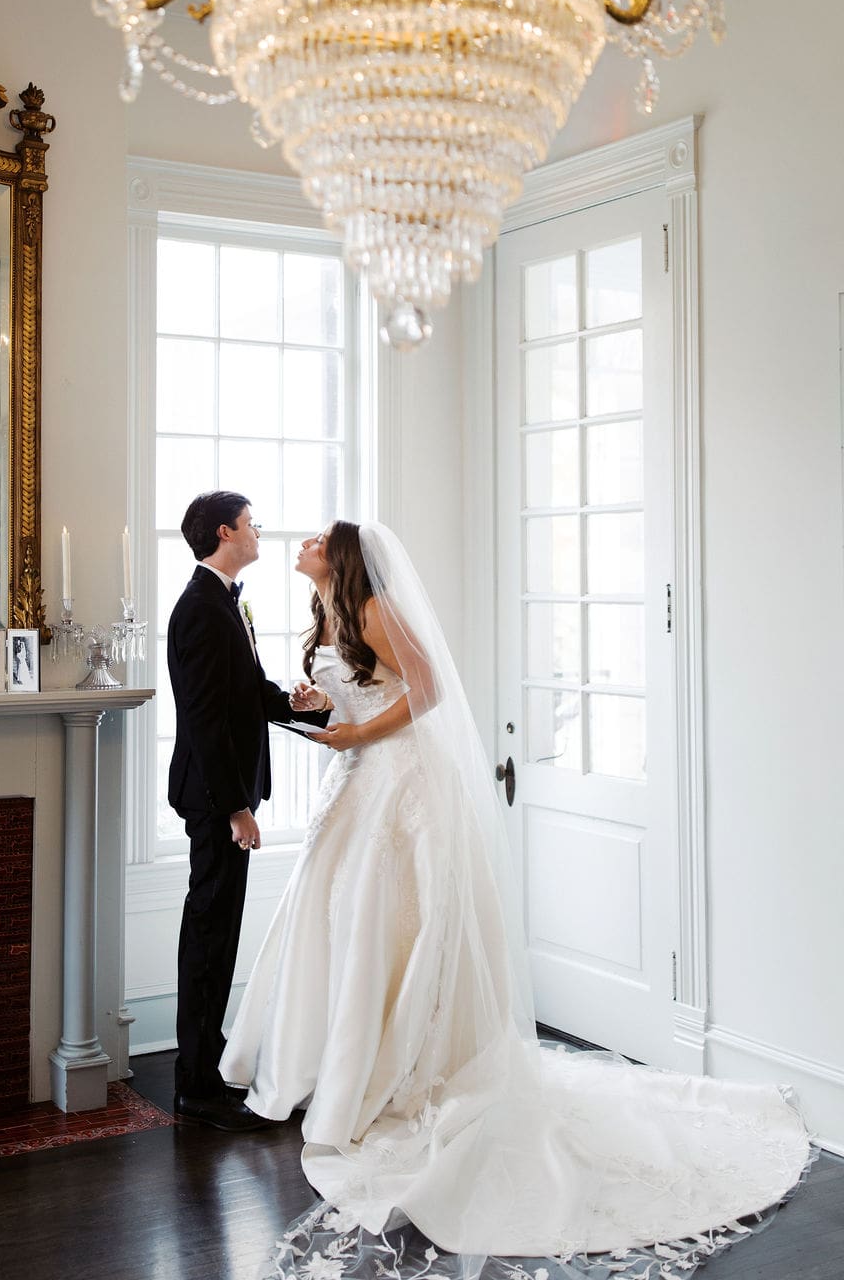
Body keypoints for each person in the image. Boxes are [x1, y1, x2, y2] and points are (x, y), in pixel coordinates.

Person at [222, 521, 811, 1280]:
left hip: (397, 778)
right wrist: (324, 709)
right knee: (343, 917)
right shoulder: (330, 615)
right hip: (359, 778)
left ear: (337, 558)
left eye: (311, 539)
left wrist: (353, 735)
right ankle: (337, 1063)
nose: (298, 542)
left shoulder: (371, 609)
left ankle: (395, 1069)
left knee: (391, 919)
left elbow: (427, 691)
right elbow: (361, 691)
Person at [166, 491, 330, 1133]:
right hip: (214, 800)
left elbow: (243, 695)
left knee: (218, 935)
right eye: (252, 522)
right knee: (207, 938)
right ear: (225, 531)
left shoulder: (227, 600)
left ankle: (206, 1075)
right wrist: (236, 808)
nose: (259, 530)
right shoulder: (201, 608)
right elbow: (206, 718)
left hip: (223, 795)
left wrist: (303, 706)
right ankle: (195, 1088)